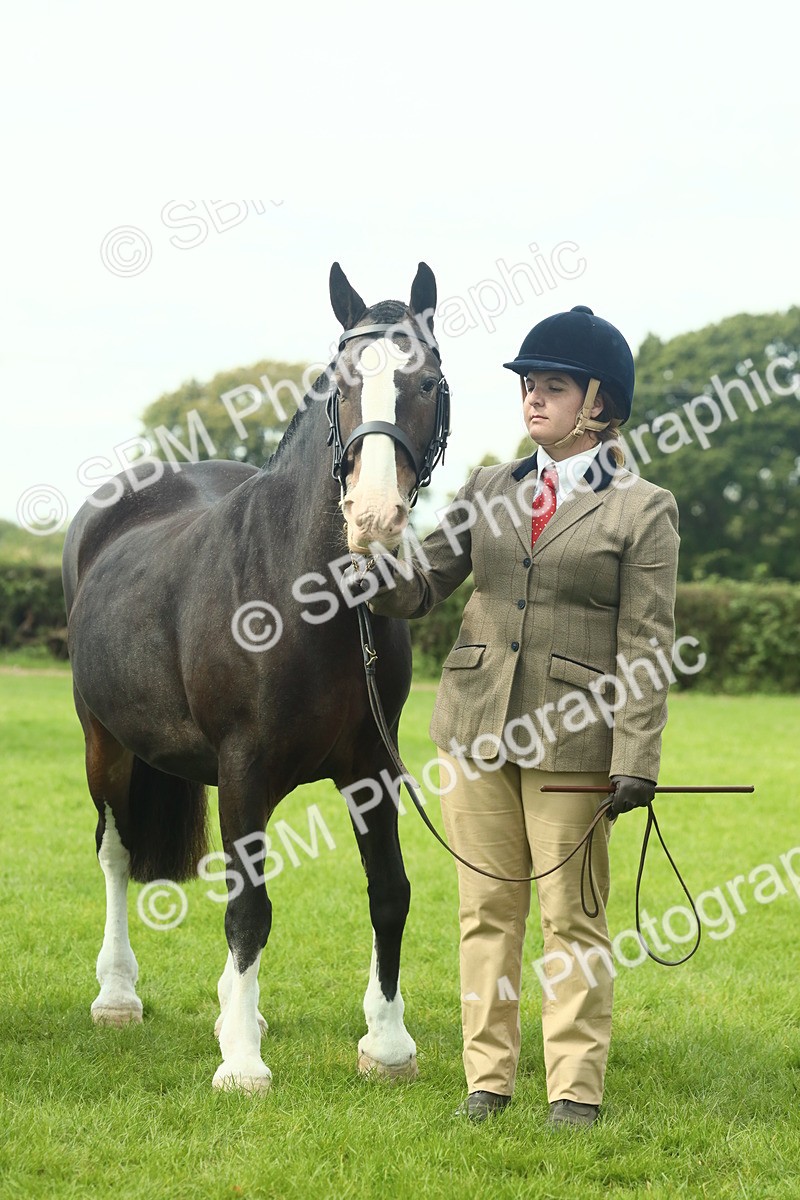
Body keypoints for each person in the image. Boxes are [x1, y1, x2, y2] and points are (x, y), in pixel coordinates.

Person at [364, 304, 680, 1127]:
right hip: (472, 727)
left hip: (577, 738)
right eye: (528, 387)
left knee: (572, 916)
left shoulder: (643, 509)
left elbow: (648, 642)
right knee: (485, 913)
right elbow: (421, 586)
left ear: (599, 402)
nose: (532, 400)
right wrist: (367, 542)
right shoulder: (488, 488)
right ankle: (488, 1081)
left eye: (552, 387)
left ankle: (574, 1090)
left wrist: (637, 757)